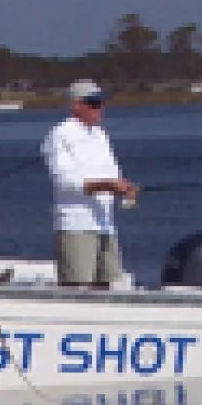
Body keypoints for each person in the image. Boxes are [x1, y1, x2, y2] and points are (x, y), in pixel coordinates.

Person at [40, 79, 138, 287]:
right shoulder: (60, 134)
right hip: (76, 225)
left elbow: (113, 172)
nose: (100, 108)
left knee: (111, 285)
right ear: (76, 105)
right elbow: (64, 181)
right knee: (78, 287)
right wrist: (107, 185)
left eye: (101, 102)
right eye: (93, 103)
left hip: (105, 224)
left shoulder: (101, 135)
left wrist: (124, 188)